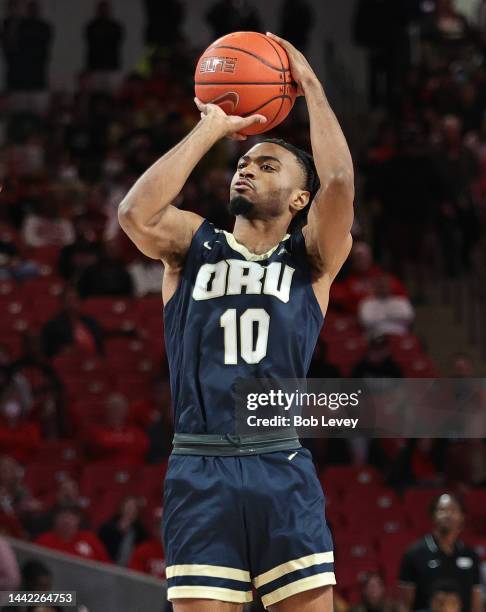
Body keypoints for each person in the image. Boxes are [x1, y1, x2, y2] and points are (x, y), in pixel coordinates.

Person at [119, 32, 354, 612]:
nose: (246, 169)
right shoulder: (191, 244)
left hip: (281, 463)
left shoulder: (313, 258)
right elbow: (133, 213)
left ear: (300, 200)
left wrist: (312, 86)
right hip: (201, 465)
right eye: (244, 161)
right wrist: (213, 126)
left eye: (266, 164)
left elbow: (341, 182)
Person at [398, 493, 482, 612]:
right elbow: (404, 604)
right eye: (442, 510)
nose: (448, 514)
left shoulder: (471, 556)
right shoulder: (414, 554)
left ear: (462, 516)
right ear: (433, 515)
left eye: (453, 510)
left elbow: (476, 603)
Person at [41, 286, 104, 358]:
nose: (72, 303)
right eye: (69, 300)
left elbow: (100, 346)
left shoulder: (91, 322)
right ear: (62, 303)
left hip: (93, 361)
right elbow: (50, 349)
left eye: (75, 299)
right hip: (70, 362)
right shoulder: (53, 326)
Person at [35, 506, 110, 563]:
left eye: (71, 517)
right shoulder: (44, 540)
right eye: (62, 516)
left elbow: (106, 566)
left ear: (78, 520)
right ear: (55, 519)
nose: (66, 520)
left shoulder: (91, 540)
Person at [98, 496, 147, 565]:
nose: (130, 511)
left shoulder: (141, 533)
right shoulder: (107, 528)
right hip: (107, 566)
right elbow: (100, 549)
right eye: (128, 507)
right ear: (121, 508)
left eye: (133, 508)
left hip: (129, 571)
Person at [128, 506, 165, 580]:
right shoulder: (144, 550)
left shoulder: (181, 554)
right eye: (159, 524)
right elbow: (133, 578)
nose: (162, 528)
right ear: (154, 527)